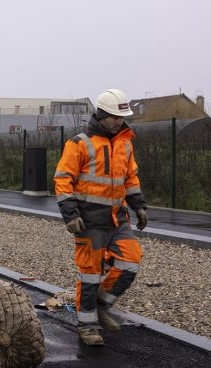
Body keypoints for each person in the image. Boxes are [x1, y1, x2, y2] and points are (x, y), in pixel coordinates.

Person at [54, 89, 148, 346]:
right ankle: (87, 327)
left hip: (118, 218)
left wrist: (138, 206)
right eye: (116, 117)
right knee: (90, 275)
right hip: (89, 221)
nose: (120, 121)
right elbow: (63, 181)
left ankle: (101, 304)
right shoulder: (79, 144)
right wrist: (70, 215)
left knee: (131, 262)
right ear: (103, 115)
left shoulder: (125, 143)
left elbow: (130, 178)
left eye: (122, 117)